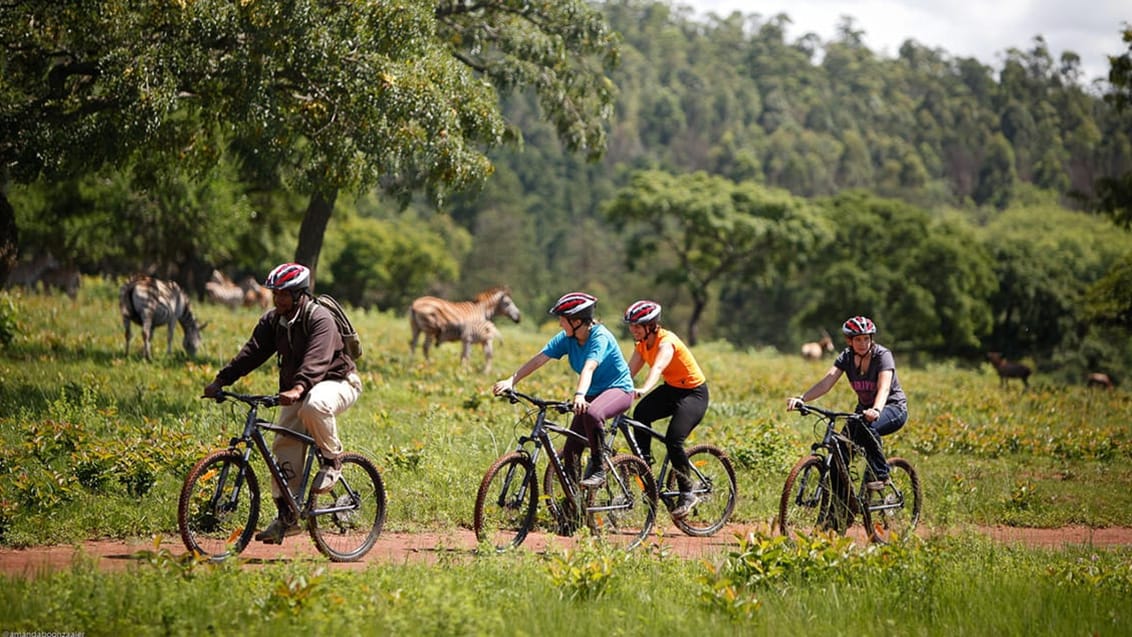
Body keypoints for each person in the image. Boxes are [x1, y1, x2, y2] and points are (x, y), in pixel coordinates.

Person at [203, 263, 363, 544]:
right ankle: (287, 518)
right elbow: (251, 353)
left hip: (339, 382)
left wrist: (300, 386)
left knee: (314, 405)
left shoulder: (320, 319)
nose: (278, 299)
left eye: (285, 294)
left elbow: (318, 359)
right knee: (283, 447)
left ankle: (333, 459)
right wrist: (221, 380)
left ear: (300, 294)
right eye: (276, 293)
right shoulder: (272, 320)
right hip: (298, 389)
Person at [492, 292, 634, 488]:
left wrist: (579, 395)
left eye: (562, 319)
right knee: (571, 452)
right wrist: (512, 380)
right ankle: (574, 507)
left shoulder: (600, 337)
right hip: (590, 393)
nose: (560, 324)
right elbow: (539, 359)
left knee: (593, 413)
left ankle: (599, 469)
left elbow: (589, 367)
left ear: (576, 321)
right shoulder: (567, 338)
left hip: (619, 389)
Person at [786, 315, 907, 489]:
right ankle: (839, 512)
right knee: (839, 453)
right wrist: (802, 398)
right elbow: (826, 382)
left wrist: (876, 410)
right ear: (849, 340)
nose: (863, 343)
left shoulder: (882, 356)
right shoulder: (846, 357)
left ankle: (882, 474)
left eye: (866, 338)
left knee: (867, 427)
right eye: (858, 339)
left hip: (892, 408)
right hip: (864, 411)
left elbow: (884, 388)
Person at [623, 300, 710, 519]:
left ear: (651, 325)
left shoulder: (666, 343)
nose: (633, 329)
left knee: (673, 439)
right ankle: (645, 465)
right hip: (671, 390)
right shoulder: (641, 344)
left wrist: (643, 388)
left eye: (637, 325)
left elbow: (659, 367)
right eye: (631, 325)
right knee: (641, 414)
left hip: (693, 394)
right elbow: (626, 373)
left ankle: (687, 492)